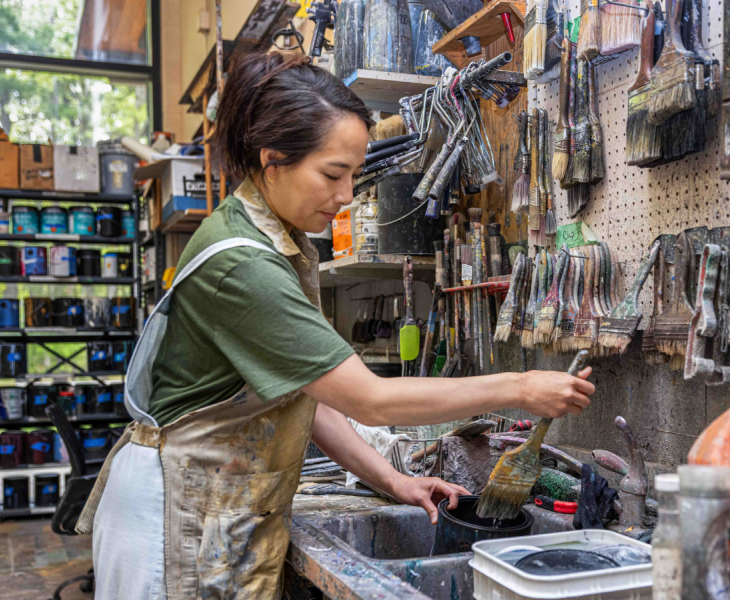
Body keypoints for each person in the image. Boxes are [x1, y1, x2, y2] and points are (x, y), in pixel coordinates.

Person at [82, 50, 595, 600]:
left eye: (355, 174)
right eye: (333, 174)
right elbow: (368, 399)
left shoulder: (276, 237)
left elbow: (310, 395)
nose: (347, 195)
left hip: (212, 506)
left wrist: (392, 479)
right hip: (179, 520)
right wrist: (519, 387)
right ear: (272, 159)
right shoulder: (245, 262)